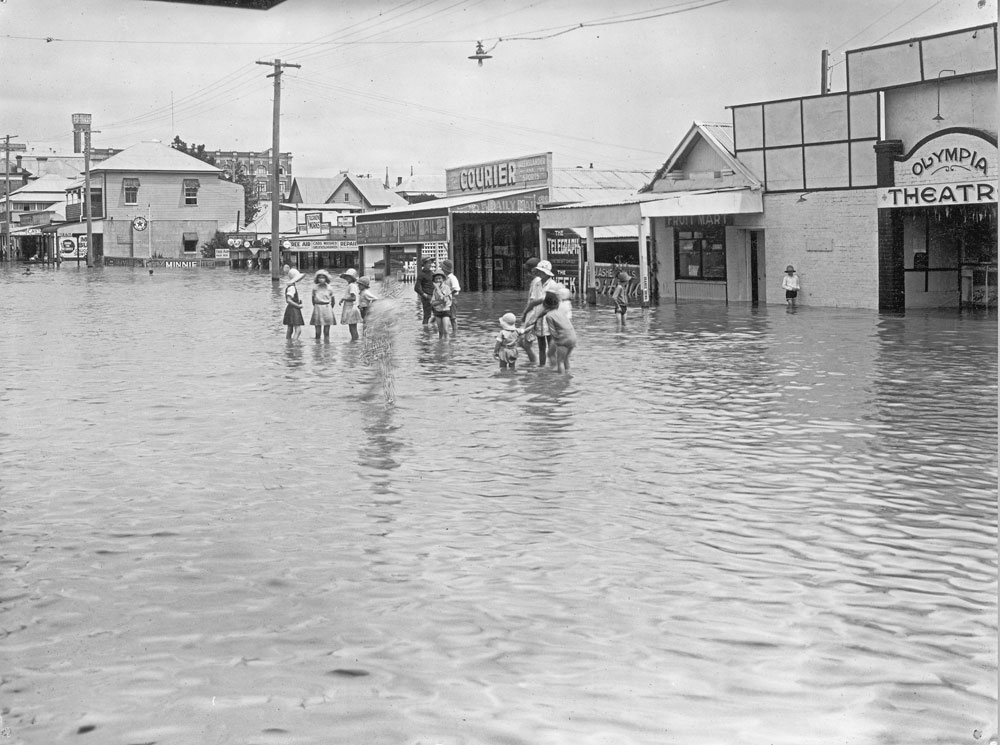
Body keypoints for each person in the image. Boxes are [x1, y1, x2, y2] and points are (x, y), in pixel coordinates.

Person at [521, 259, 557, 367]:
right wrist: (531, 318)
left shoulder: (552, 285)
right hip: (537, 317)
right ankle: (542, 366)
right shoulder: (536, 283)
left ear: (546, 273)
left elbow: (549, 304)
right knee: (541, 345)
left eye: (541, 272)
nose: (539, 273)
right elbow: (533, 301)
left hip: (549, 318)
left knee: (551, 345)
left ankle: (553, 367)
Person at [535, 288, 577, 373]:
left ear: (545, 305)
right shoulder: (560, 312)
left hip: (563, 339)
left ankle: (560, 379)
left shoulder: (549, 316)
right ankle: (567, 376)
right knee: (565, 359)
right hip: (573, 337)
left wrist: (558, 342)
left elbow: (553, 331)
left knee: (559, 361)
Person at [310, 269, 336, 340]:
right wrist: (317, 306)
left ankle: (327, 346)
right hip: (317, 307)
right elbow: (313, 300)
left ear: (326, 278)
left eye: (323, 277)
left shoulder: (330, 288)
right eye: (320, 277)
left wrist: (329, 308)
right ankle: (317, 346)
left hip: (327, 307)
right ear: (317, 279)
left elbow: (333, 301)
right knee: (317, 332)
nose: (321, 279)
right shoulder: (315, 288)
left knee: (327, 332)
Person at [339, 268, 363, 340]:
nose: (347, 278)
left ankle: (354, 340)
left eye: (349, 277)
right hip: (351, 307)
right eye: (347, 277)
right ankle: (354, 342)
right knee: (352, 327)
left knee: (352, 328)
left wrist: (343, 299)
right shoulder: (352, 285)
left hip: (351, 308)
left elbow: (353, 298)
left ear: (352, 278)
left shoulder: (352, 286)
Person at [282, 268, 306, 340]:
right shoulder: (292, 287)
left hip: (290, 309)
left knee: (290, 329)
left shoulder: (289, 287)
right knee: (298, 330)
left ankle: (289, 344)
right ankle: (294, 344)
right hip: (294, 309)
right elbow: (288, 300)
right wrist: (298, 305)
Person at [429, 270, 453, 338]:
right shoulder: (435, 290)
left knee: (446, 331)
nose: (438, 280)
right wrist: (439, 301)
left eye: (440, 278)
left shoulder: (447, 288)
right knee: (440, 332)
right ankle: (440, 346)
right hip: (437, 311)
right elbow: (432, 303)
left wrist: (439, 299)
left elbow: (445, 300)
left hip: (445, 311)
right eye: (436, 279)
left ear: (443, 279)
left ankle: (446, 346)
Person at [414, 256, 437, 325]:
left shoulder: (432, 273)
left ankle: (432, 326)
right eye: (428, 263)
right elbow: (416, 288)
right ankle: (425, 331)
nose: (430, 264)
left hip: (434, 296)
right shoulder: (421, 275)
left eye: (431, 263)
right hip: (426, 297)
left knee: (438, 313)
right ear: (424, 264)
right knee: (427, 316)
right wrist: (424, 295)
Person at [441, 259, 461, 333]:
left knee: (453, 318)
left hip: (452, 300)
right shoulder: (444, 278)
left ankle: (454, 333)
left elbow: (457, 289)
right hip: (445, 300)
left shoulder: (452, 278)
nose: (441, 269)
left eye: (442, 267)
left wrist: (448, 294)